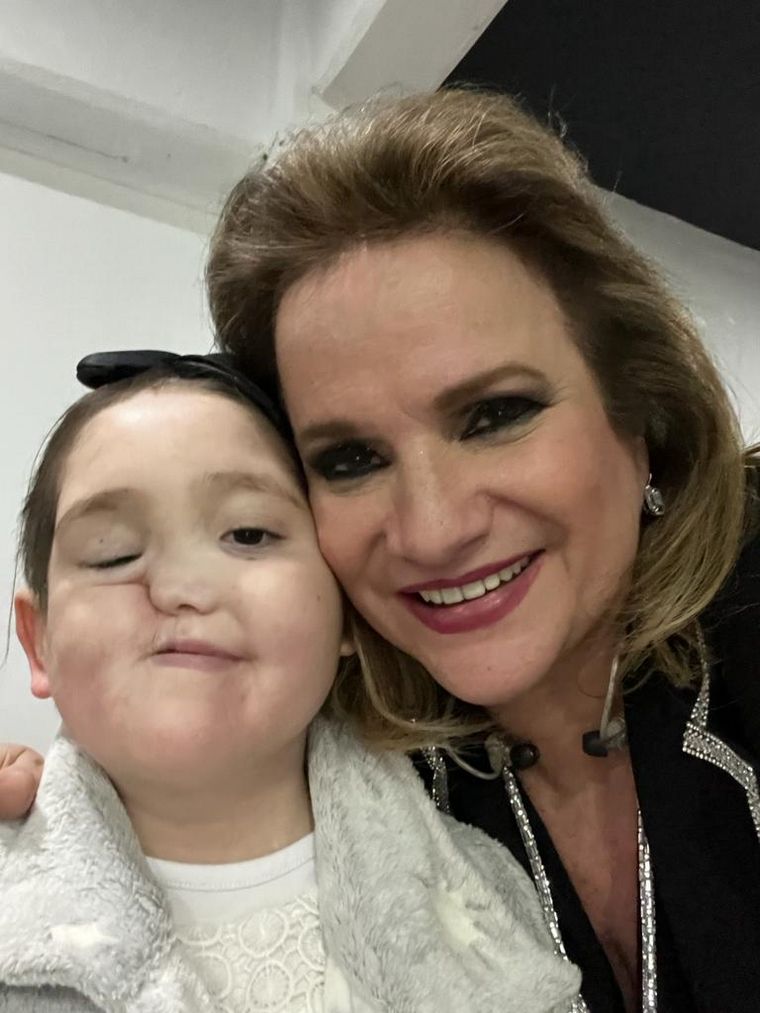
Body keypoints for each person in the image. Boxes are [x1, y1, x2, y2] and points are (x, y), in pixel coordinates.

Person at [3, 87, 759, 1011]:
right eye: (350, 459)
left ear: (640, 411)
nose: (434, 528)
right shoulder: (366, 778)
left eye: (496, 414)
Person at [0, 351, 579, 1012]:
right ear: (39, 642)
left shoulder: (492, 889)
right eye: (114, 554)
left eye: (248, 534)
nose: (183, 586)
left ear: (345, 614)